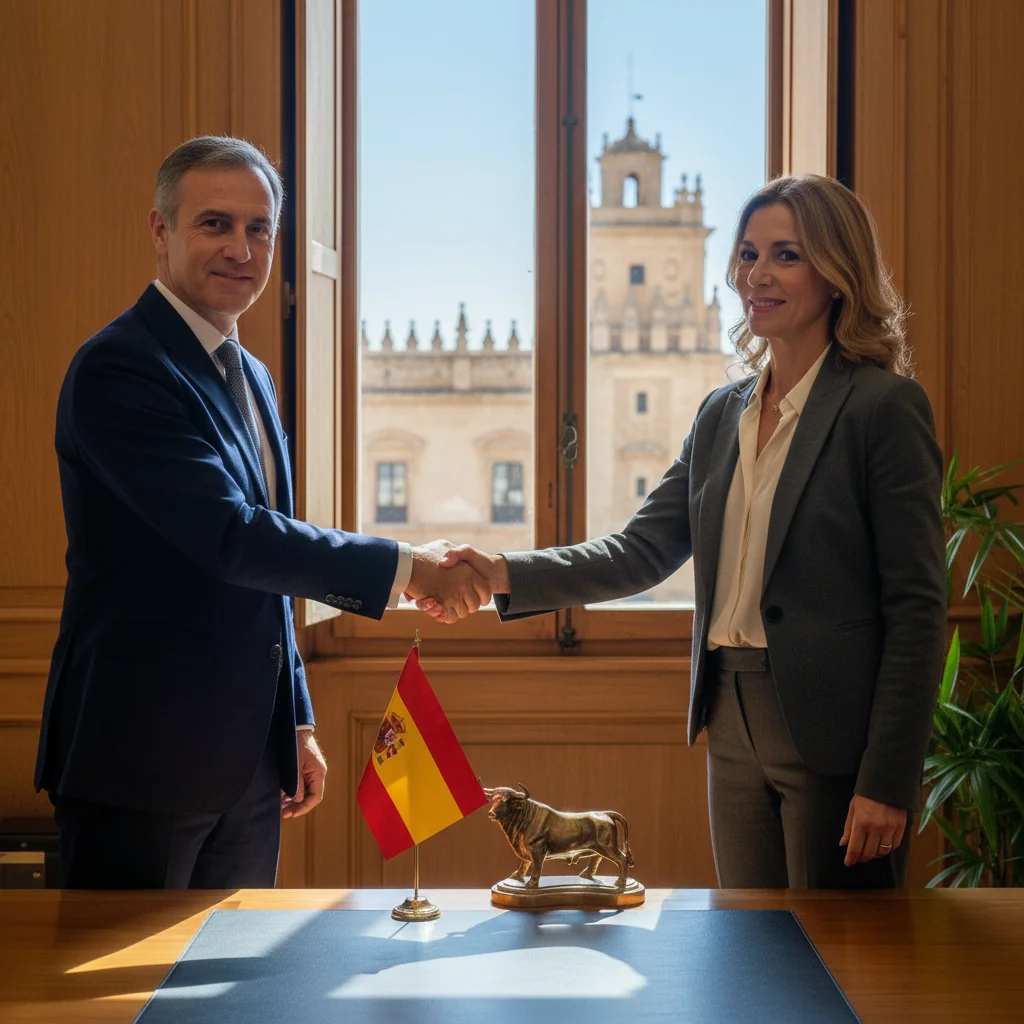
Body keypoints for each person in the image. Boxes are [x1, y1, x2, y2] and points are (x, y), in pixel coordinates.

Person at [419, 174, 947, 889]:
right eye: (748, 254)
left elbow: (916, 609)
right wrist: (501, 572)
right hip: (728, 718)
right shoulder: (720, 414)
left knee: (837, 967)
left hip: (835, 735)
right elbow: (639, 552)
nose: (755, 275)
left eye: (785, 255)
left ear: (836, 273)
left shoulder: (883, 408)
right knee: (749, 955)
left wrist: (888, 780)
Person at [35, 136, 486, 889]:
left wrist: (296, 721)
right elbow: (231, 538)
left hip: (249, 764)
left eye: (259, 229)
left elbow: (267, 574)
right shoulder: (121, 367)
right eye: (215, 224)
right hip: (141, 762)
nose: (241, 248)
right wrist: (409, 570)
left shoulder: (252, 376)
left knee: (230, 999)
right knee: (127, 1001)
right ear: (160, 231)